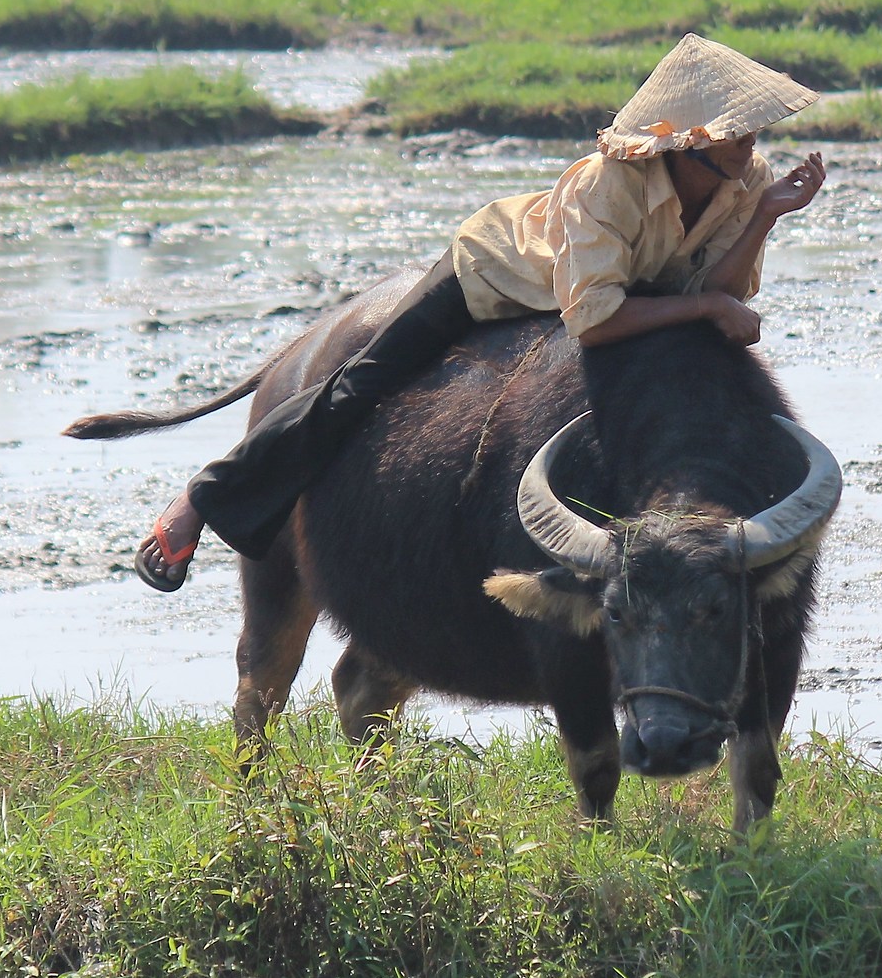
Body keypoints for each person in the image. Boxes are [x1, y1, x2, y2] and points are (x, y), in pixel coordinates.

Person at [135, 32, 831, 591]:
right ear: (688, 140)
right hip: (495, 273)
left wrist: (767, 217)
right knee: (362, 385)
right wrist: (707, 303)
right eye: (738, 131)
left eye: (752, 130)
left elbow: (725, 291)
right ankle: (203, 497)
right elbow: (595, 320)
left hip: (622, 296)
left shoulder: (748, 181)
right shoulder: (607, 186)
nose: (752, 142)